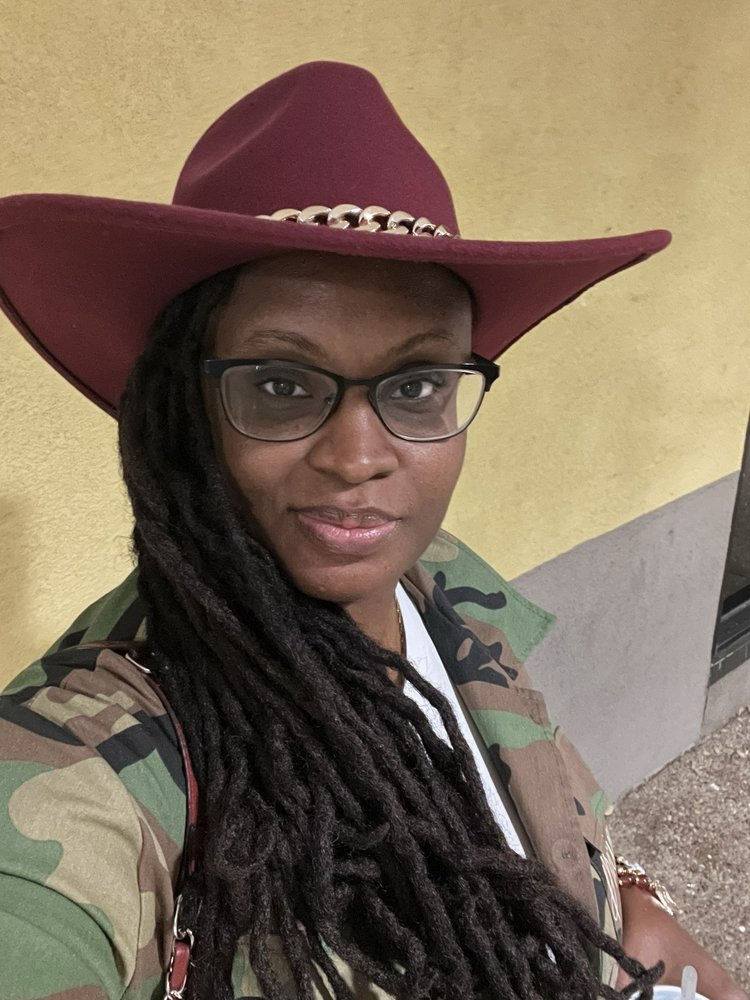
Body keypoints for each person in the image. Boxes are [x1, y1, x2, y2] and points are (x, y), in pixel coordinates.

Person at [0, 61, 744, 1000]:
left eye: (418, 383)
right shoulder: (92, 763)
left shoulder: (443, 582)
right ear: (186, 408)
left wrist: (634, 905)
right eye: (281, 383)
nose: (358, 458)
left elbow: (531, 821)